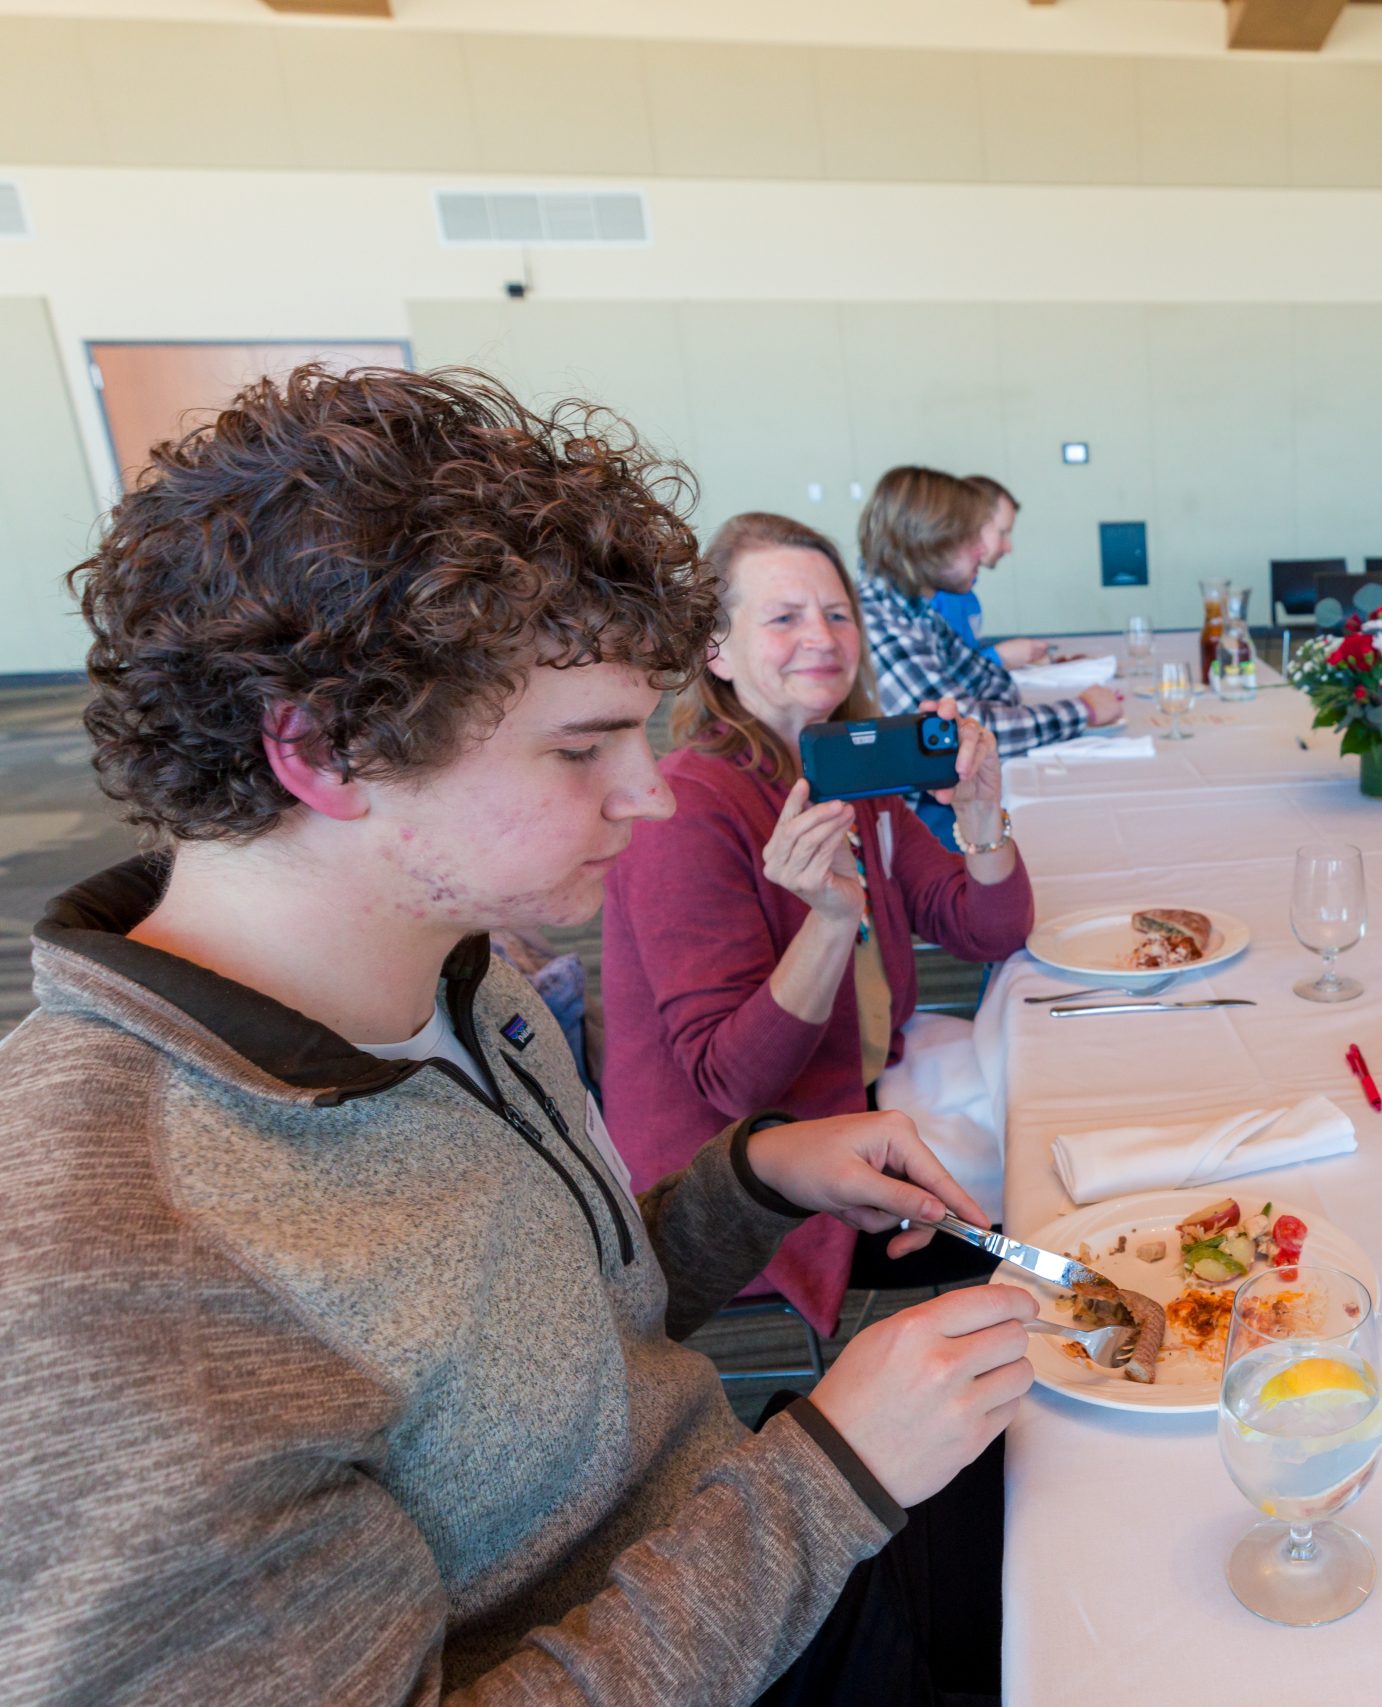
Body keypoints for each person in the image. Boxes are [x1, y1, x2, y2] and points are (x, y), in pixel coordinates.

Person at [0, 365, 1032, 1704]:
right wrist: (833, 1473)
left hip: (742, 1539)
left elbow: (538, 1346)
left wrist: (752, 1177)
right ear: (320, 750)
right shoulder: (116, 1282)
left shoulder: (449, 967)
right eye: (579, 749)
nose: (649, 795)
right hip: (757, 1587)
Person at [604, 511, 1034, 1334]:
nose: (824, 636)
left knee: (1056, 1108)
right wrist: (833, 919)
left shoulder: (840, 768)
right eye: (784, 617)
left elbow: (986, 929)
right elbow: (733, 1084)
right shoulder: (686, 810)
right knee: (1052, 1180)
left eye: (838, 614)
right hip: (745, 1179)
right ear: (715, 651)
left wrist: (982, 818)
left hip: (855, 1081)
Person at [858, 464, 1120, 755]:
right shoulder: (878, 623)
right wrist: (1082, 710)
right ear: (930, 541)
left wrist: (986, 722)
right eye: (969, 539)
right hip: (919, 801)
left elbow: (995, 683)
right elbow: (966, 731)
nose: (983, 551)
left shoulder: (918, 614)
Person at [931, 475, 1051, 668]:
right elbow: (941, 673)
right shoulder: (934, 600)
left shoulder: (966, 596)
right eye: (1002, 533)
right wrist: (999, 656)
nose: (1008, 547)